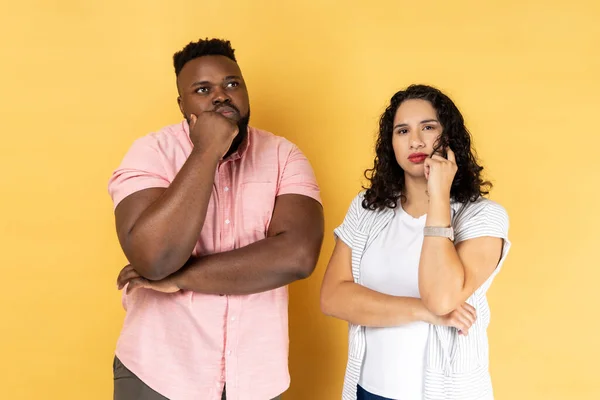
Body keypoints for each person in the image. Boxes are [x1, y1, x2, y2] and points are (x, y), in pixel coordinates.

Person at [108, 38, 324, 400]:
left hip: (256, 380)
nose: (221, 96)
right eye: (203, 89)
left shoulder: (284, 155)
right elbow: (153, 257)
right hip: (159, 375)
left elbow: (297, 256)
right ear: (182, 104)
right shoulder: (151, 153)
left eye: (232, 84)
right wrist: (207, 149)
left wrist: (179, 277)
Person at [320, 84, 511, 400]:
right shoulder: (367, 209)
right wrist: (425, 313)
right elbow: (333, 297)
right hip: (368, 390)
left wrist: (438, 197)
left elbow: (441, 297)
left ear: (449, 137)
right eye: (402, 130)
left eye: (428, 127)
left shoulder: (484, 218)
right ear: (391, 145)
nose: (416, 140)